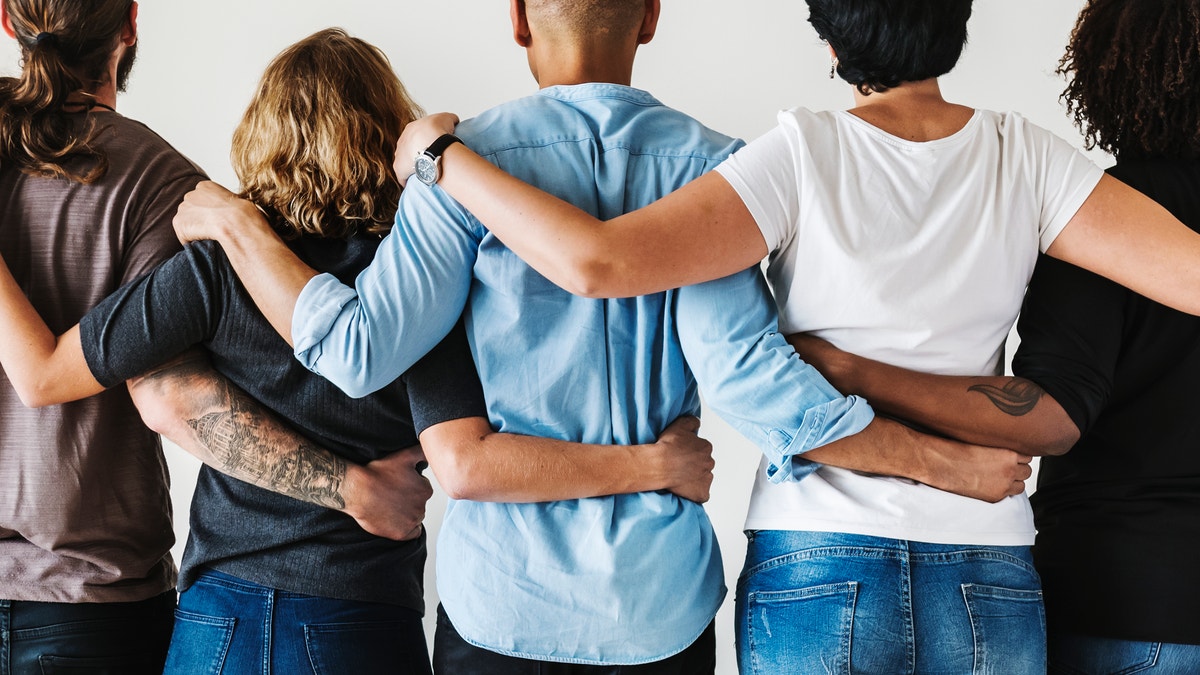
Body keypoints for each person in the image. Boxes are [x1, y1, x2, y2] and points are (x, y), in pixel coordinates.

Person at [169, 1, 1031, 672]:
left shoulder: (457, 170)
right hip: (658, 606)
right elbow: (746, 380)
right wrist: (934, 457)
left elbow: (357, 353)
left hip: (503, 607)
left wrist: (241, 229)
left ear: (516, 21)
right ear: (651, 18)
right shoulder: (716, 170)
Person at [376, 0, 1200, 671]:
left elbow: (600, 261)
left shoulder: (797, 156)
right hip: (983, 561)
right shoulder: (1029, 158)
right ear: (959, 23)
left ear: (831, 40)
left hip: (819, 559)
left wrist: (443, 157)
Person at [0, 26, 717, 674]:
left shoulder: (213, 269)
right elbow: (465, 455)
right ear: (387, 130)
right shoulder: (419, 284)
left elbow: (65, 370)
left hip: (217, 615)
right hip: (359, 614)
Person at [790, 1, 1200, 672]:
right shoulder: (1088, 203)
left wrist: (851, 369)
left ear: (1110, 71)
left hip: (1130, 599)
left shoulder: (1100, 215)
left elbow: (1055, 413)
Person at [0, 1, 190, 671]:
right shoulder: (165, 183)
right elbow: (172, 397)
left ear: (5, 20)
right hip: (92, 604)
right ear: (129, 23)